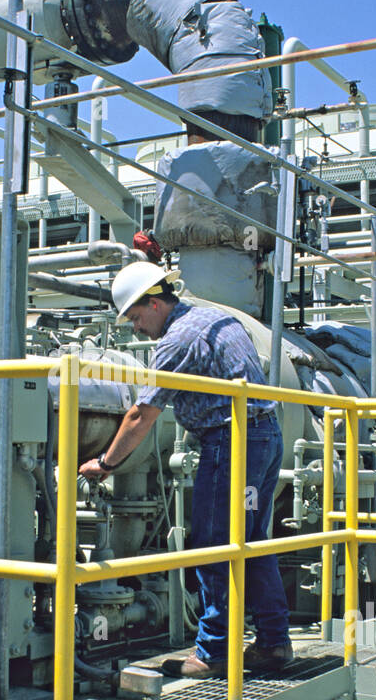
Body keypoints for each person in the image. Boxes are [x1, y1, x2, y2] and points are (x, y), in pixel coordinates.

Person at [79, 261, 292, 678]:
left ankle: (212, 653)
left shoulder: (178, 339)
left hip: (229, 443)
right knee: (250, 543)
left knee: (214, 545)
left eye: (138, 318)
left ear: (156, 304)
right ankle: (273, 642)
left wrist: (106, 463)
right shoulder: (214, 316)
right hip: (265, 437)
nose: (137, 329)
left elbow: (142, 414)